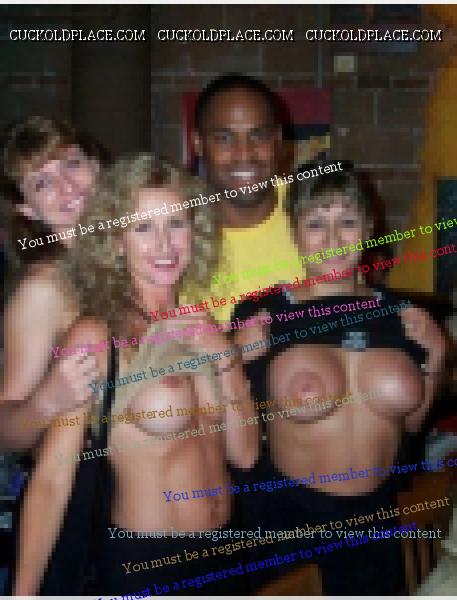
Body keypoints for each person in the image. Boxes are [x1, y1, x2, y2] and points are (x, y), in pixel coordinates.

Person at [13, 155, 259, 596]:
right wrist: (22, 594)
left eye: (176, 224)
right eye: (143, 228)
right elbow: (51, 479)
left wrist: (227, 358)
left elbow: (244, 457)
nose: (164, 245)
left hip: (229, 553)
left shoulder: (201, 326)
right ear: (115, 242)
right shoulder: (97, 335)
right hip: (147, 565)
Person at [232, 166, 447, 594]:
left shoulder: (404, 316)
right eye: (316, 224)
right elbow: (239, 446)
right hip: (289, 527)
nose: (333, 240)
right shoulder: (263, 315)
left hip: (377, 525)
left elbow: (410, 426)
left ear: (368, 229)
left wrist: (437, 358)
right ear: (294, 233)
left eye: (347, 221)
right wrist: (234, 364)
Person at [0, 116, 103, 450]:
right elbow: (5, 426)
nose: (67, 187)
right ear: (27, 209)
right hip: (84, 472)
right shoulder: (43, 290)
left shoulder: (135, 254)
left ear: (95, 165)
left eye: (72, 164)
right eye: (42, 183)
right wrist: (45, 403)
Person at [189, 73, 303, 323]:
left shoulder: (315, 211)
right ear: (198, 144)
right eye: (224, 139)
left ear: (278, 140)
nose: (244, 155)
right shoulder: (174, 230)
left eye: (258, 136)